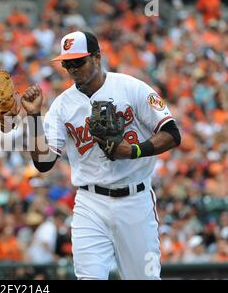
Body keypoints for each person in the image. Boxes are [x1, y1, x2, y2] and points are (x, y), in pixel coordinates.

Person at [21, 31, 181, 279]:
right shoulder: (62, 106)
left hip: (135, 199)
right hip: (89, 202)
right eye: (67, 63)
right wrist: (33, 118)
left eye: (79, 61)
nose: (73, 69)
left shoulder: (131, 87)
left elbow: (171, 133)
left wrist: (133, 150)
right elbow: (43, 163)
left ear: (96, 57)